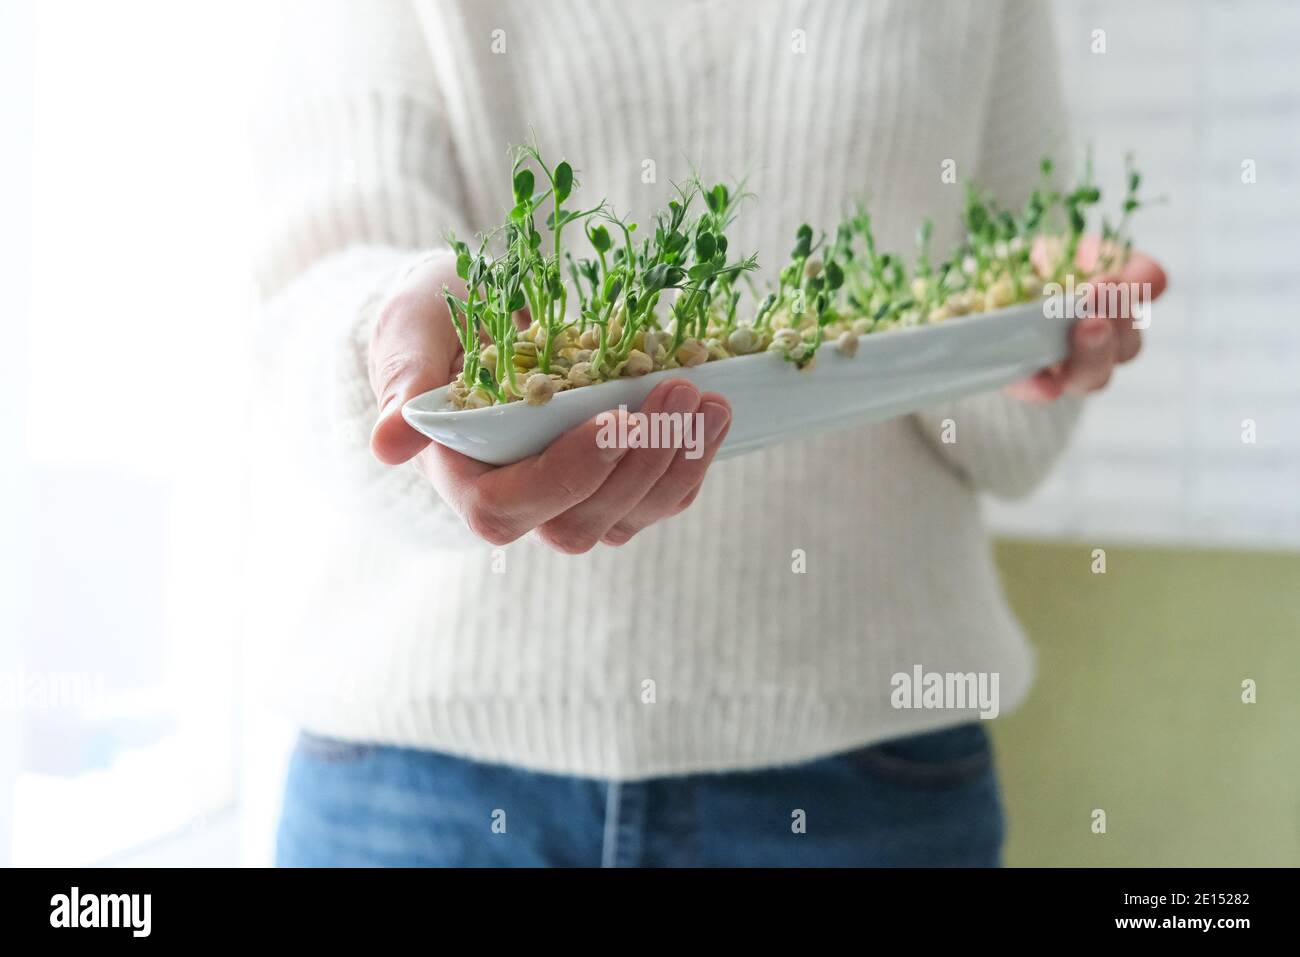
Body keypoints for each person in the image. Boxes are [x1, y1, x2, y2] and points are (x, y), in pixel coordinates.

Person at [252, 0, 1167, 866]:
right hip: (418, 789)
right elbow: (308, 310)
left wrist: (1029, 330)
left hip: (867, 777)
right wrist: (401, 362)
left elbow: (1015, 447)